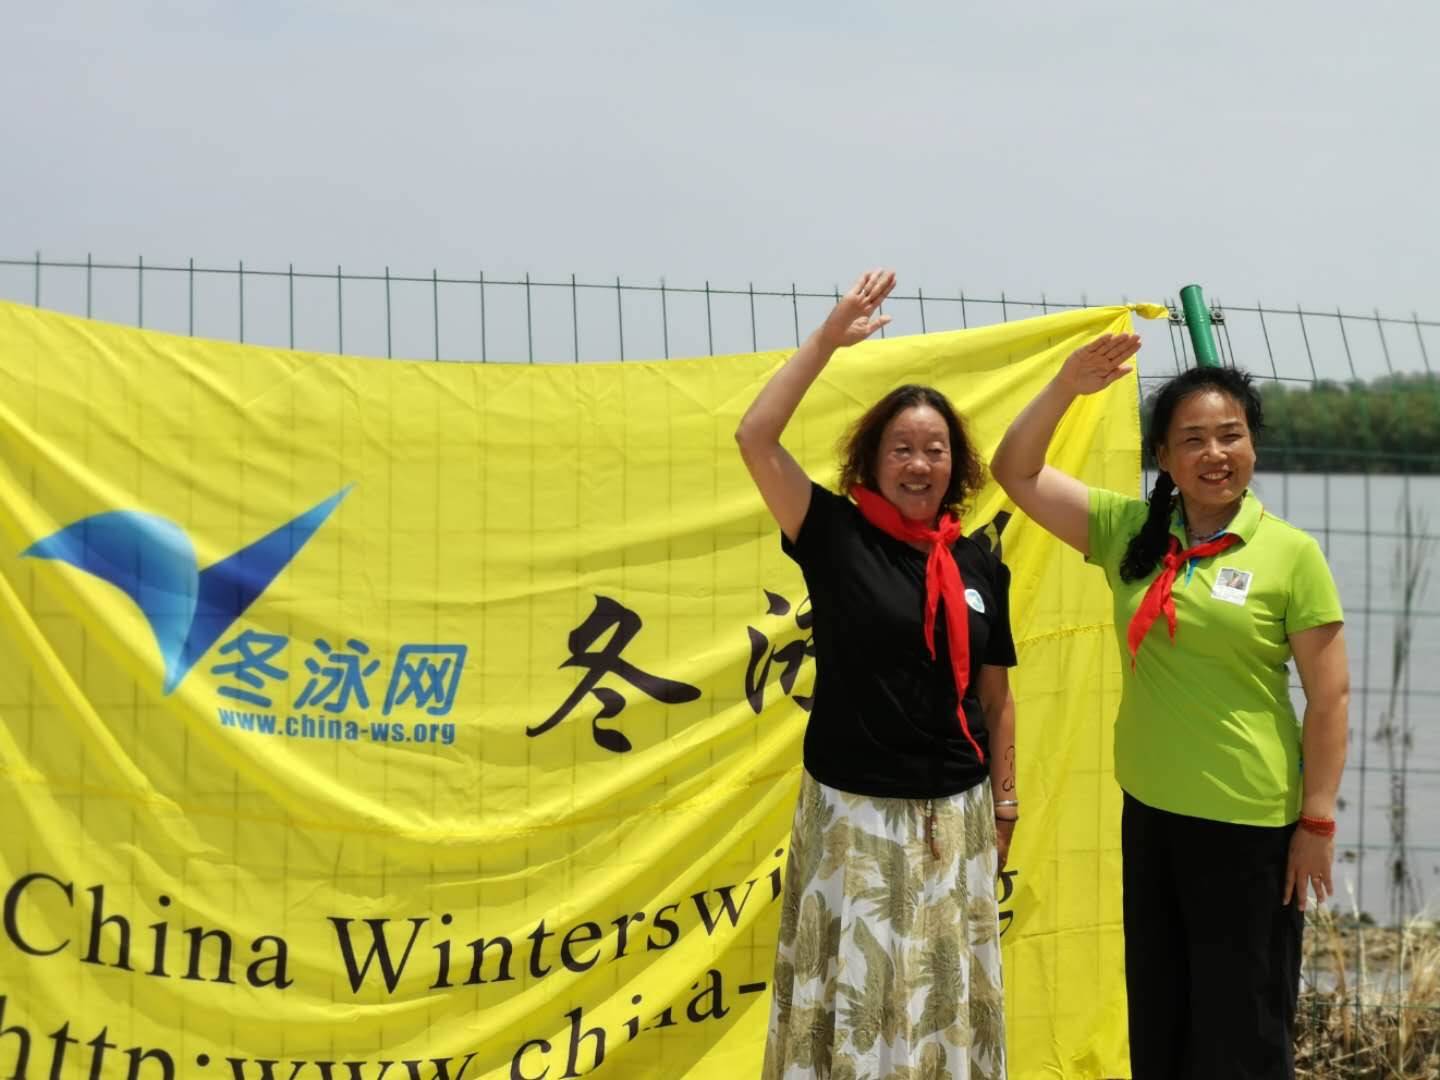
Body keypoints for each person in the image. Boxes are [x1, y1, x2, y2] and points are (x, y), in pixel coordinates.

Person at [989, 337, 1349, 1079]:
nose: (1215, 454)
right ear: (1162, 456)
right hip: (1152, 812)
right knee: (1162, 1015)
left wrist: (1316, 821)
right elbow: (1014, 471)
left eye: (1231, 435)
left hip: (1252, 824)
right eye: (1193, 439)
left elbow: (1331, 696)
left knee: (1244, 1028)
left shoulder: (1291, 554)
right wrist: (1065, 386)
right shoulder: (1131, 532)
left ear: (1253, 445)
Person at [736, 269, 1017, 1080]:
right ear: (873, 457)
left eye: (935, 449)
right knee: (856, 1003)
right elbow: (755, 437)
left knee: (942, 1002)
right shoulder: (832, 533)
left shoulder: (977, 563)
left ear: (956, 465)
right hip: (853, 814)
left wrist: (1005, 802)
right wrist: (827, 342)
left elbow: (996, 697)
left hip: (956, 816)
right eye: (902, 448)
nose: (918, 464)